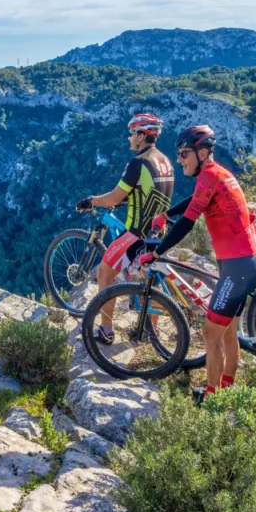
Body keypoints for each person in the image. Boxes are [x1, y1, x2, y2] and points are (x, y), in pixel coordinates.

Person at [137, 125, 256, 400]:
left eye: (184, 154)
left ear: (203, 152)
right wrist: (164, 214)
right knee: (228, 331)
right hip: (246, 262)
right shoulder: (217, 174)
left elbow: (187, 223)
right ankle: (226, 389)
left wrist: (156, 253)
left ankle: (211, 398)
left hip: (238, 266)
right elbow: (196, 201)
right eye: (179, 154)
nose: (180, 159)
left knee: (211, 333)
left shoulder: (210, 175)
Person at [76, 113, 174, 345]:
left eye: (131, 134)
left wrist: (92, 200)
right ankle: (152, 331)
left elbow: (113, 197)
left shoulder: (138, 162)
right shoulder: (165, 160)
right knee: (153, 278)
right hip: (159, 232)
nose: (129, 138)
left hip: (138, 232)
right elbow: (150, 193)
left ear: (141, 136)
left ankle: (106, 331)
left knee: (104, 273)